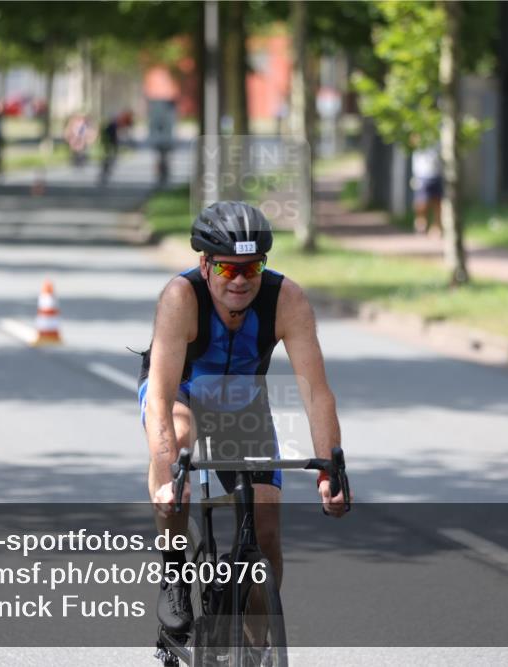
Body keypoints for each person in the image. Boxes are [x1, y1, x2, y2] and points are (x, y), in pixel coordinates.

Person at [138, 201, 350, 633]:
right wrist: (166, 479)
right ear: (204, 264)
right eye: (227, 270)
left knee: (267, 535)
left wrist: (330, 468)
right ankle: (175, 571)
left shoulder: (285, 299)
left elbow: (318, 394)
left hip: (240, 403)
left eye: (250, 270)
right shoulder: (181, 297)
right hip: (180, 393)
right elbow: (158, 399)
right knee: (178, 438)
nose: (239, 281)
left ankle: (256, 650)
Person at [411, 137, 443, 235]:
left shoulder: (439, 135)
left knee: (437, 202)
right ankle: (420, 224)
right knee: (421, 202)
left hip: (436, 174)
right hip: (422, 174)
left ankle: (436, 227)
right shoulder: (420, 132)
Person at [99, 109, 133, 185]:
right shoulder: (111, 126)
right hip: (110, 143)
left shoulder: (113, 125)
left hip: (112, 143)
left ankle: (107, 168)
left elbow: (117, 134)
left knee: (110, 157)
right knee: (109, 157)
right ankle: (106, 169)